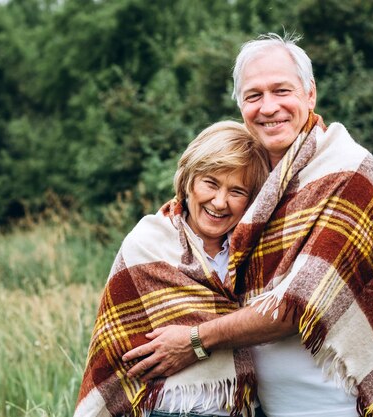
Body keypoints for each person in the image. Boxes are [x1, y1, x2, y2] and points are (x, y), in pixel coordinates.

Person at [122, 33, 373, 417]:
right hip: (263, 405)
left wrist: (194, 340)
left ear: (310, 95)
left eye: (281, 91)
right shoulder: (255, 184)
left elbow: (298, 305)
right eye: (254, 96)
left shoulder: (347, 170)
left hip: (336, 404)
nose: (269, 107)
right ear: (241, 107)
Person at [74, 121, 270, 417]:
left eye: (237, 191)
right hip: (168, 410)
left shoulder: (258, 253)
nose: (220, 201)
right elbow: (119, 348)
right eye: (211, 183)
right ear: (189, 180)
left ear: (252, 200)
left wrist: (195, 341)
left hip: (242, 408)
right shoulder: (148, 242)